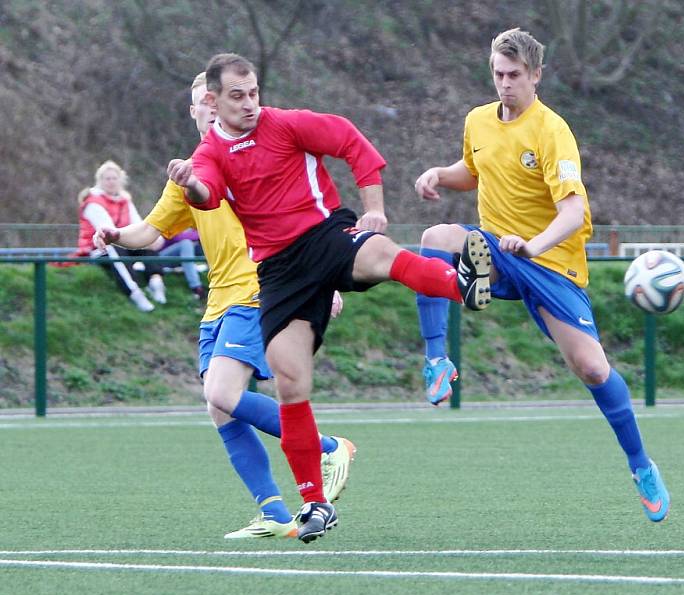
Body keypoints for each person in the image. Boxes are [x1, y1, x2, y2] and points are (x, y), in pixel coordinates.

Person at [167, 53, 491, 543]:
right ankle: (315, 504)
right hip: (278, 271)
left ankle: (462, 284)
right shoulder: (210, 152)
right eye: (237, 95)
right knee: (291, 384)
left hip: (324, 235)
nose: (250, 103)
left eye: (254, 92)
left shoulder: (287, 124)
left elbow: (350, 141)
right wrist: (190, 183)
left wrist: (374, 209)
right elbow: (207, 194)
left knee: (382, 253)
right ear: (212, 100)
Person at [413, 28, 671, 522]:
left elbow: (573, 213)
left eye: (514, 75)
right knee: (435, 239)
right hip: (497, 250)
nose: (504, 84)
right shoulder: (477, 121)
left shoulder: (553, 131)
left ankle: (640, 465)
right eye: (497, 74)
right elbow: (474, 171)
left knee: (593, 369)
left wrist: (532, 245)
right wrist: (439, 175)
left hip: (551, 264)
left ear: (536, 75)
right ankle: (437, 360)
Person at [94, 72, 356, 540]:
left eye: (219, 100)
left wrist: (323, 281)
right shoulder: (193, 173)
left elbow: (306, 221)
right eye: (203, 102)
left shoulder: (256, 155)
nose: (213, 108)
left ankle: (328, 448)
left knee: (222, 393)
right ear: (195, 110)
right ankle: (274, 513)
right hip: (219, 300)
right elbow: (151, 233)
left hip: (262, 289)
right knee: (220, 408)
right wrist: (116, 236)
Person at [76, 161, 167, 312]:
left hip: (123, 242)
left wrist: (149, 238)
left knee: (147, 242)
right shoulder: (92, 202)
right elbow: (106, 231)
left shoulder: (125, 200)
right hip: (99, 248)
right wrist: (131, 238)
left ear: (120, 180)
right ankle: (134, 292)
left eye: (114, 178)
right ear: (100, 181)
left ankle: (156, 281)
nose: (111, 182)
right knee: (114, 249)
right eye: (107, 178)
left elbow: (138, 223)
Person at [158, 228, 207, 300]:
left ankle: (216, 283)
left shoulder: (195, 223)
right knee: (186, 243)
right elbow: (177, 237)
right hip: (162, 258)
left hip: (183, 257)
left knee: (209, 244)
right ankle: (196, 287)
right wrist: (199, 234)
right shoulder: (173, 221)